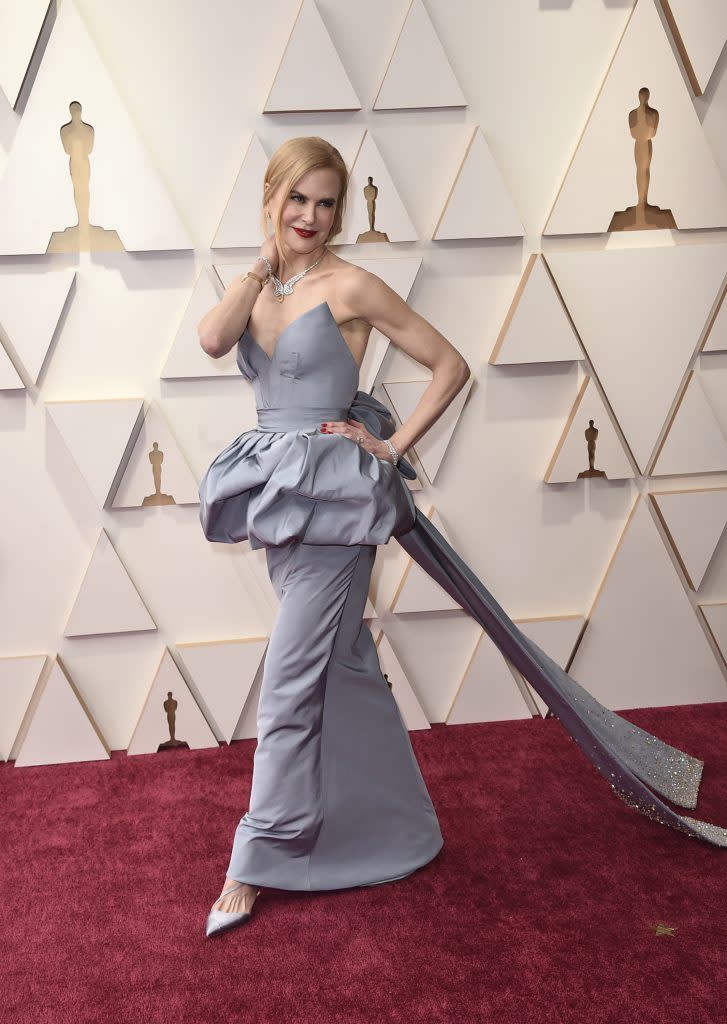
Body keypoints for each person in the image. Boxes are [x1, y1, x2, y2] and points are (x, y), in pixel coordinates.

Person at [197, 137, 727, 938]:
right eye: (296, 198)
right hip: (278, 498)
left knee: (289, 679)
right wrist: (260, 261)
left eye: (326, 202)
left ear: (341, 210)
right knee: (338, 667)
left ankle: (254, 857)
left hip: (336, 503)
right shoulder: (259, 289)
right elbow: (211, 340)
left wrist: (391, 443)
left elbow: (447, 364)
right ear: (270, 198)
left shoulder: (352, 285)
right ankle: (392, 828)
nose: (311, 216)